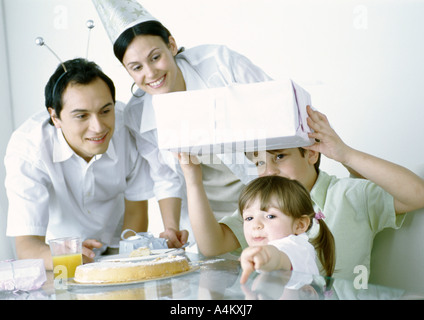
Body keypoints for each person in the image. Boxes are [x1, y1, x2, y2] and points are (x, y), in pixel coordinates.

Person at [93, 0, 271, 246]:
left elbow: (277, 113)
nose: (151, 73)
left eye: (155, 57)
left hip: (264, 195)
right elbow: (165, 176)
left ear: (172, 45)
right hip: (205, 215)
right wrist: (171, 228)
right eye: (136, 67)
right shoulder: (138, 114)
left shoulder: (220, 64)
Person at [178, 105, 424, 280]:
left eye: (280, 156)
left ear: (311, 154)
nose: (268, 171)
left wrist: (344, 154)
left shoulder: (350, 194)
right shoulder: (260, 209)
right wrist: (193, 180)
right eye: (259, 162)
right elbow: (212, 246)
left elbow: (417, 194)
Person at [5, 58, 154, 269]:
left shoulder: (129, 126)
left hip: (119, 243)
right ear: (54, 117)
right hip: (59, 253)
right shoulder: (29, 149)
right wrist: (70, 256)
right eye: (81, 116)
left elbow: (136, 210)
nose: (98, 127)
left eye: (105, 111)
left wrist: (126, 262)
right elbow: (26, 247)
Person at [238, 175, 335, 284]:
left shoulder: (296, 247)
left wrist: (264, 255)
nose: (256, 225)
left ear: (300, 225)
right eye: (249, 218)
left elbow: (278, 257)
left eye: (270, 216)